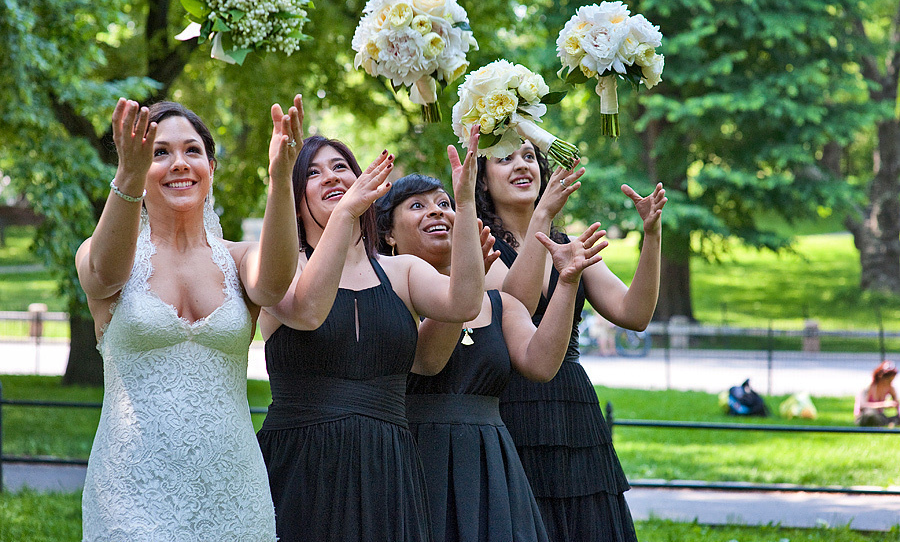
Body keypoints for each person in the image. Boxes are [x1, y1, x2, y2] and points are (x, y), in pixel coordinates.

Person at [76, 95, 303, 540]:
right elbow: (103, 275)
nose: (179, 163)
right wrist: (128, 174)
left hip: (233, 492)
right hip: (130, 492)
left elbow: (274, 285)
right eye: (160, 152)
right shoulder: (104, 254)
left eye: (192, 150)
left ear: (211, 168)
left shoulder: (238, 260)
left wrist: (280, 179)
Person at [256, 138, 484, 541]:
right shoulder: (281, 269)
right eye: (313, 172)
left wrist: (464, 206)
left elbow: (464, 302)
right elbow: (306, 310)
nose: (330, 176)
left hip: (388, 462)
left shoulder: (403, 272)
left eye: (340, 166)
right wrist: (345, 212)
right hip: (301, 461)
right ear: (295, 201)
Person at [375, 173, 606, 542]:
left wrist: (567, 282)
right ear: (387, 233)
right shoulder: (381, 295)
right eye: (418, 205)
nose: (437, 212)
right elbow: (427, 358)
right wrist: (465, 286)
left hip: (488, 462)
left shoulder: (498, 303)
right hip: (414, 457)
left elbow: (542, 365)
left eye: (445, 204)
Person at [476, 141, 666, 542]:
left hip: (571, 404)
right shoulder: (479, 246)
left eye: (529, 156)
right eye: (505, 158)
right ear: (482, 178)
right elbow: (516, 306)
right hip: (508, 402)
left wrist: (652, 235)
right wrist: (542, 216)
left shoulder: (571, 245)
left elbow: (635, 313)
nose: (521, 165)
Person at [854, 360, 899, 427]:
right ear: (880, 375)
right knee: (871, 414)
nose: (890, 381)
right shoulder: (869, 386)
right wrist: (883, 405)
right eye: (888, 378)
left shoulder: (890, 387)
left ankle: (891, 423)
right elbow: (862, 406)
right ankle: (888, 423)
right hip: (865, 415)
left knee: (880, 417)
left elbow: (897, 405)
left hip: (880, 415)